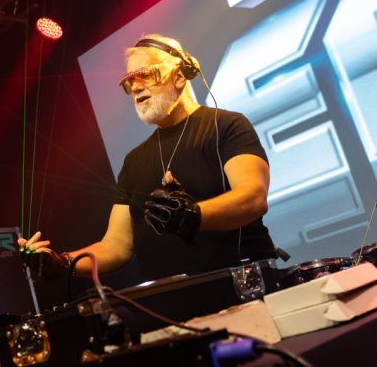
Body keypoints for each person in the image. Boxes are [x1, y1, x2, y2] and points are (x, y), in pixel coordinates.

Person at [19, 34, 276, 284]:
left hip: (239, 289)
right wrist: (62, 262)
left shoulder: (227, 125)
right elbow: (116, 245)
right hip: (169, 304)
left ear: (179, 76)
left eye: (145, 75)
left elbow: (253, 197)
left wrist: (193, 215)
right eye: (129, 83)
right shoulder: (134, 161)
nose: (136, 88)